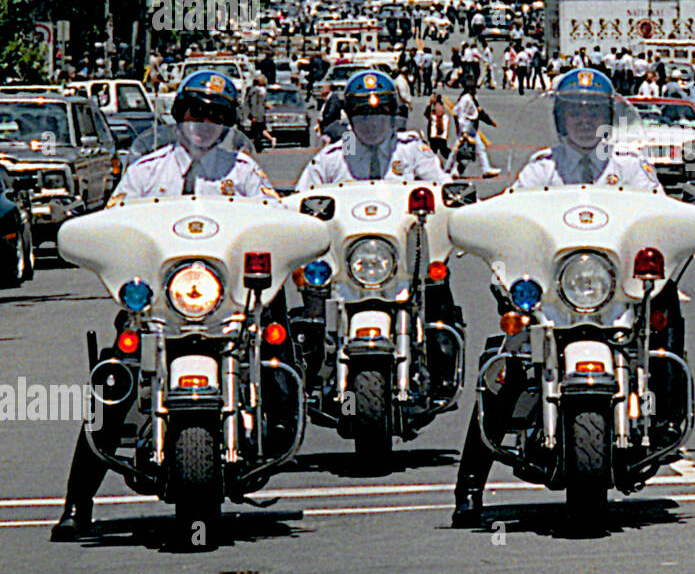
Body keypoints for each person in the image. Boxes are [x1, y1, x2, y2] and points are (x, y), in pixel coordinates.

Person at [51, 71, 281, 540]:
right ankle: (78, 502)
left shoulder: (244, 173)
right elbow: (110, 223)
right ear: (179, 115)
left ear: (229, 122)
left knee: (279, 348)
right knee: (113, 381)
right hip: (155, 307)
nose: (204, 123)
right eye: (196, 112)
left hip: (227, 307)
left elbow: (276, 219)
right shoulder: (146, 171)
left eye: (216, 115)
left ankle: (278, 428)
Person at [452, 69, 666, 527]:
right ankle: (470, 486)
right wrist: (501, 268)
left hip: (615, 298)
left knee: (665, 329)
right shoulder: (541, 169)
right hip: (553, 300)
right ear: (560, 118)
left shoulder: (630, 167)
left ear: (608, 118)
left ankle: (664, 418)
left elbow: (660, 215)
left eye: (593, 112)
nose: (585, 122)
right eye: (575, 112)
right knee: (505, 367)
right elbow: (506, 219)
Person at [297, 70, 448, 190]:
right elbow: (300, 202)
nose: (372, 124)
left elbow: (444, 189)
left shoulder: (410, 150)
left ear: (392, 116)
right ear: (349, 117)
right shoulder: (337, 155)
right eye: (362, 116)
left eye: (380, 115)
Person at [453, 78, 499, 178]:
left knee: (474, 148)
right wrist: (463, 130)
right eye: (474, 88)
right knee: (464, 149)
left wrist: (490, 122)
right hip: (468, 127)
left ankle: (456, 170)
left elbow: (479, 113)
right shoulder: (466, 99)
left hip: (470, 127)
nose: (476, 90)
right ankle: (454, 170)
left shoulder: (470, 98)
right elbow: (460, 115)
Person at [425, 94, 453, 164]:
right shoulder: (434, 116)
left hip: (440, 137)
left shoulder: (444, 117)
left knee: (444, 152)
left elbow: (446, 128)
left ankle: (454, 158)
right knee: (433, 153)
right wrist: (430, 104)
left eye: (440, 108)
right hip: (435, 137)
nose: (439, 110)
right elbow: (427, 113)